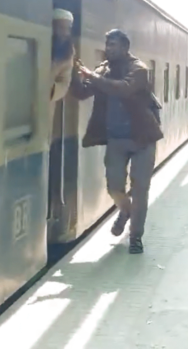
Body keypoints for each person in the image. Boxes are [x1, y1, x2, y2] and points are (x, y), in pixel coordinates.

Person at [71, 29, 163, 255]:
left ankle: (135, 237)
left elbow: (123, 88)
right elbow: (82, 93)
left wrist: (92, 76)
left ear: (124, 47)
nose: (108, 49)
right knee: (114, 187)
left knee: (141, 189)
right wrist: (73, 71)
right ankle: (125, 210)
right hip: (116, 139)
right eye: (107, 45)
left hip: (143, 139)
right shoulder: (103, 70)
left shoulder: (139, 69)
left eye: (112, 45)